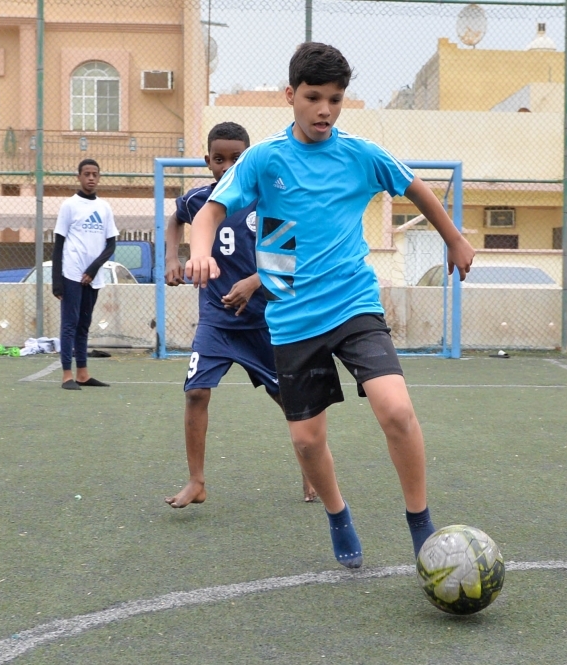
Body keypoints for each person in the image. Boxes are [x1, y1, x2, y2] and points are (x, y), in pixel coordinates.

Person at [183, 43, 475, 568]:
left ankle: (421, 524)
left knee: (397, 410)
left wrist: (454, 239)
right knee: (308, 441)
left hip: (354, 303)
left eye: (335, 99)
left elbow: (416, 188)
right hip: (293, 315)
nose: (324, 109)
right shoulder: (264, 159)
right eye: (313, 97)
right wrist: (199, 251)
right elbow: (209, 212)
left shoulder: (360, 154)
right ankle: (339, 515)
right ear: (290, 95)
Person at [163, 121, 316, 508]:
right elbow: (173, 220)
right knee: (196, 392)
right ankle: (196, 482)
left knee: (289, 399)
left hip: (264, 321)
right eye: (218, 159)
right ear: (208, 160)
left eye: (235, 158)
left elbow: (285, 262)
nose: (227, 165)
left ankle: (312, 472)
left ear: (248, 159)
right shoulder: (199, 201)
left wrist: (251, 283)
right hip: (216, 321)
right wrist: (171, 258)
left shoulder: (269, 202)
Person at [52, 159, 116, 390]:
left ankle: (83, 374)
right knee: (70, 323)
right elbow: (58, 243)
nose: (91, 178)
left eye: (95, 174)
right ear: (78, 177)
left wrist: (93, 270)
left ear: (99, 177)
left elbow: (111, 245)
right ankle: (67, 375)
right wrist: (56, 281)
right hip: (71, 273)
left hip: (93, 277)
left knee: (84, 324)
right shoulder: (69, 205)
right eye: (86, 174)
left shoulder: (104, 208)